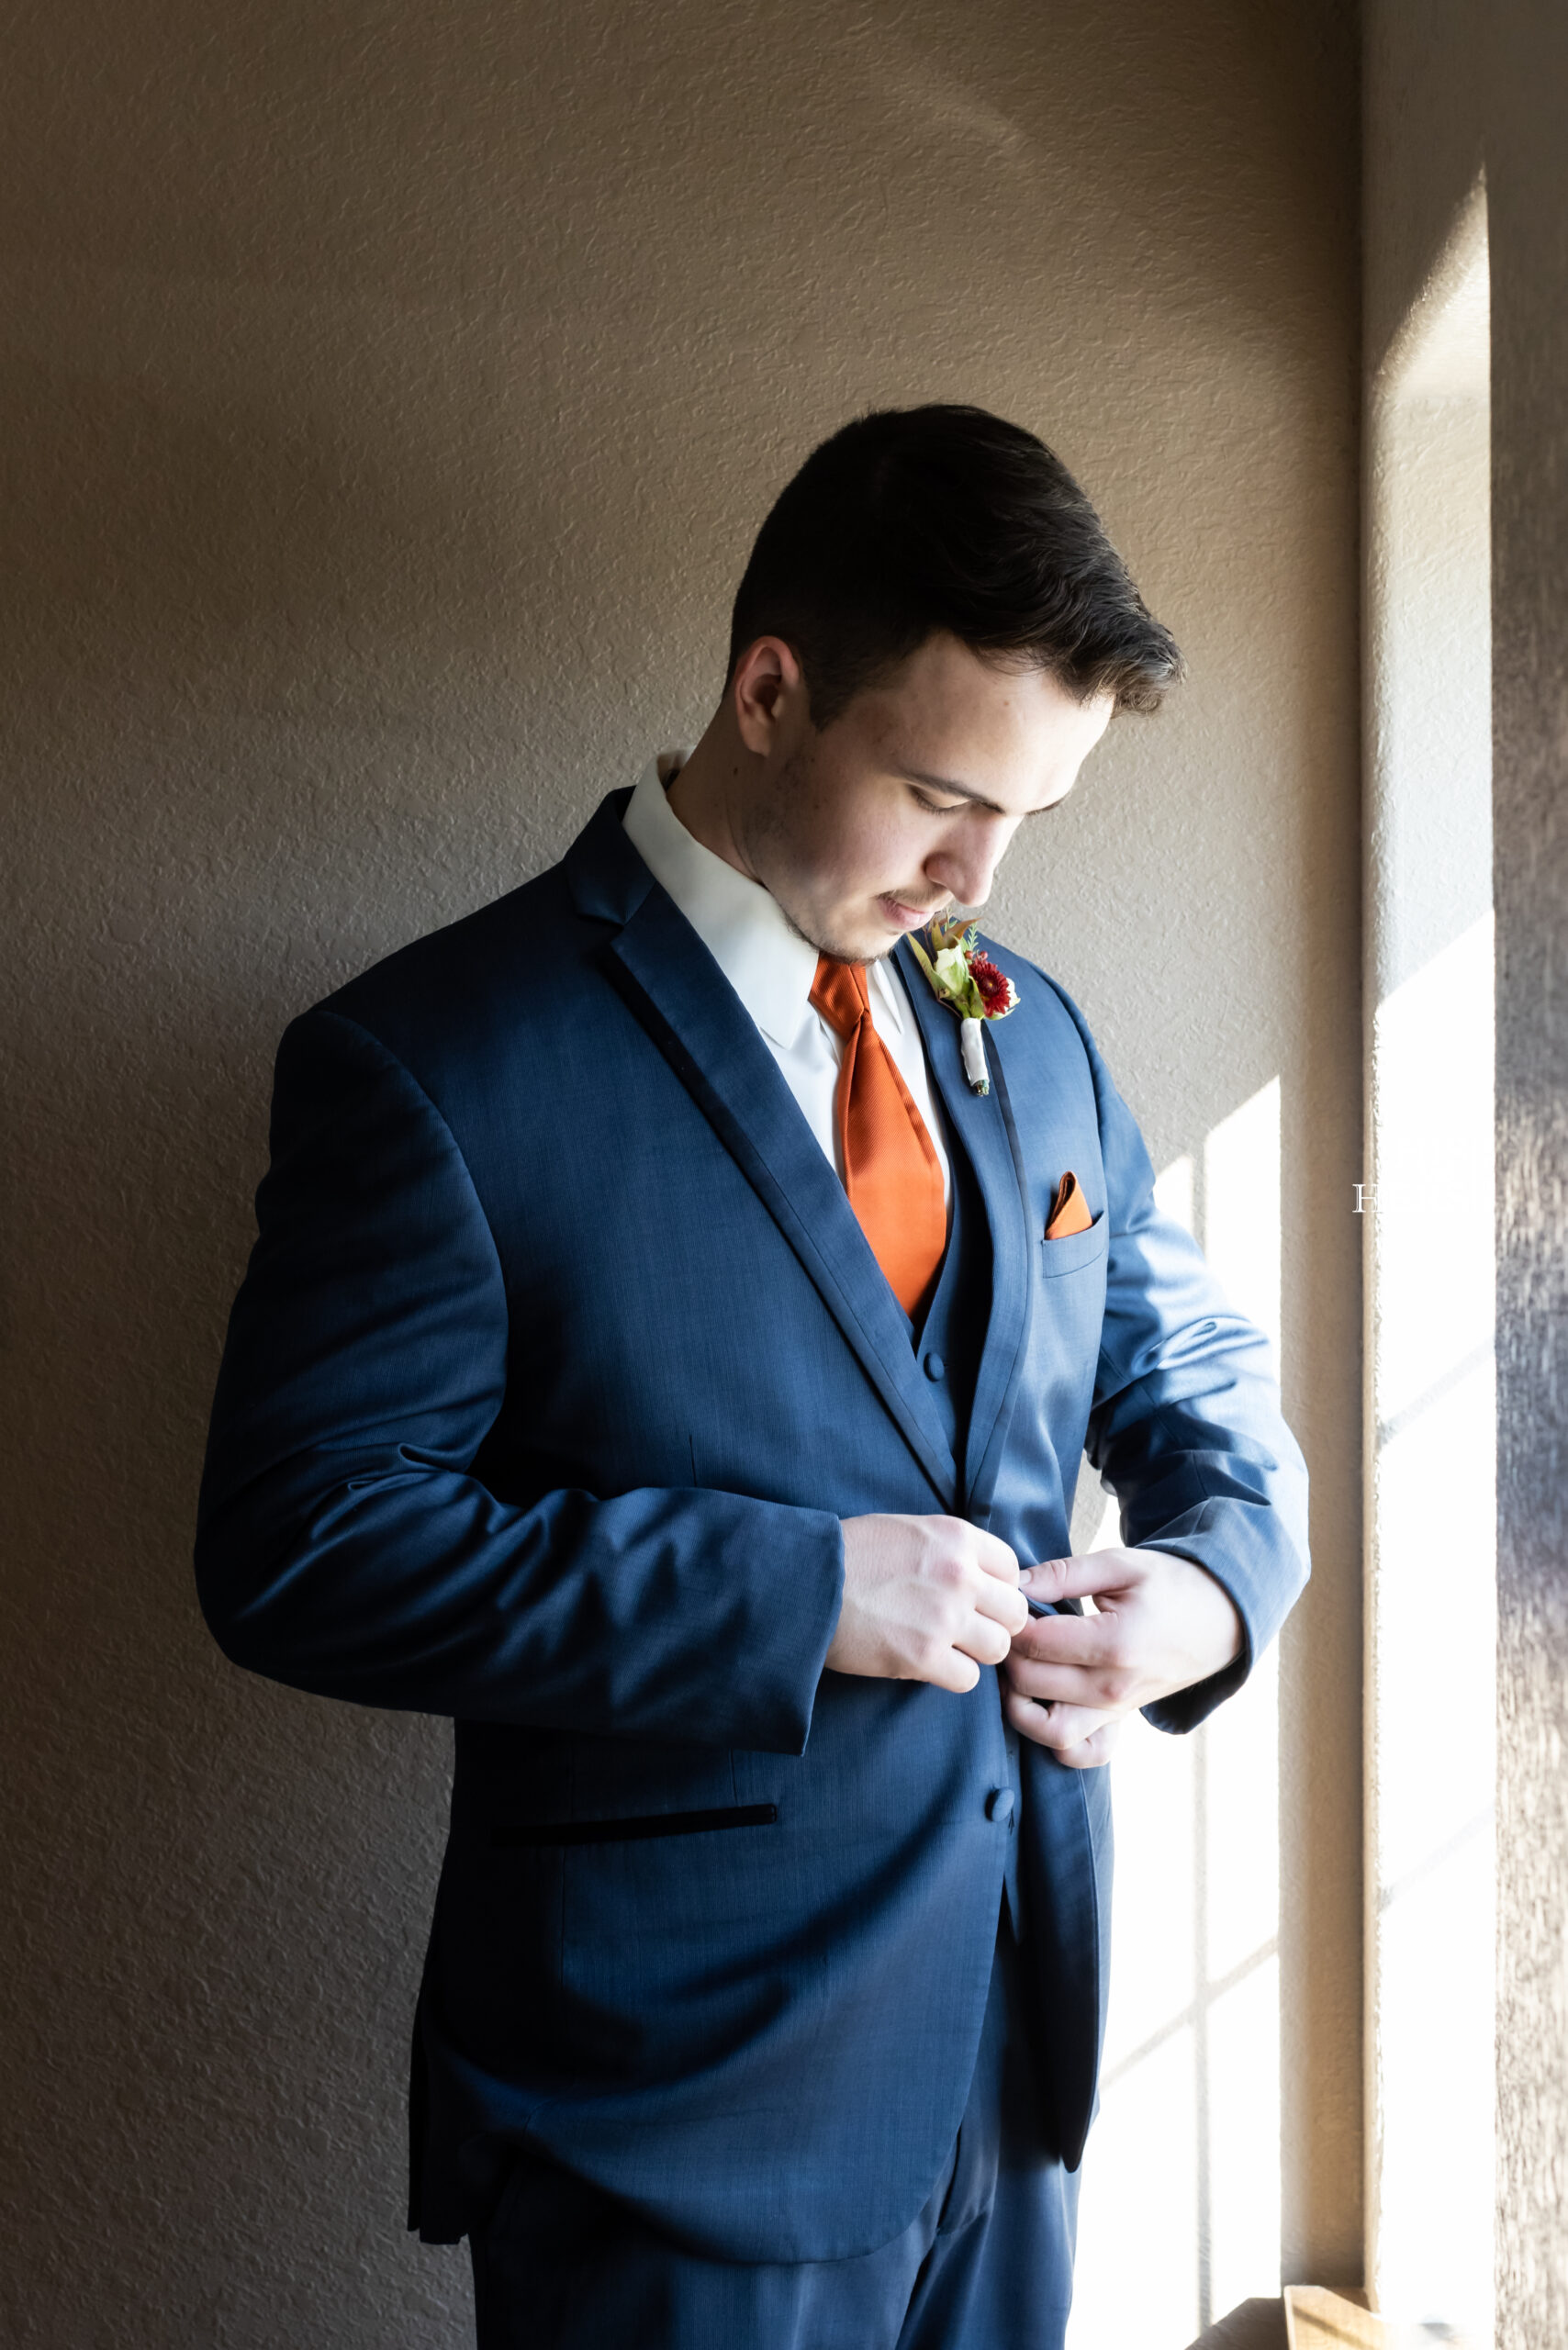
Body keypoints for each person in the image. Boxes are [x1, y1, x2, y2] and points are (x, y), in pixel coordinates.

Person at [196, 403, 1308, 2349]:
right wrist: (793, 1595)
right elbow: (300, 1539)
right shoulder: (433, 1063)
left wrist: (1211, 1584)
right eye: (943, 795)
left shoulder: (1026, 1031)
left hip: (1010, 2062)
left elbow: (1182, 1345)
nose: (978, 876)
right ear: (772, 691)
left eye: (1027, 820)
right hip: (667, 2114)